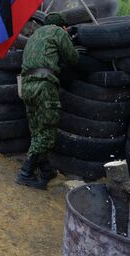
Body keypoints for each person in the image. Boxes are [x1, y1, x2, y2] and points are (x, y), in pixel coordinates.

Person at [15, 13, 79, 190]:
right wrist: (72, 43)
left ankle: (46, 171)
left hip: (26, 86)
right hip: (44, 85)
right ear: (62, 26)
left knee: (37, 131)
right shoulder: (59, 32)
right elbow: (73, 59)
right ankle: (25, 173)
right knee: (47, 133)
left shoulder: (33, 36)